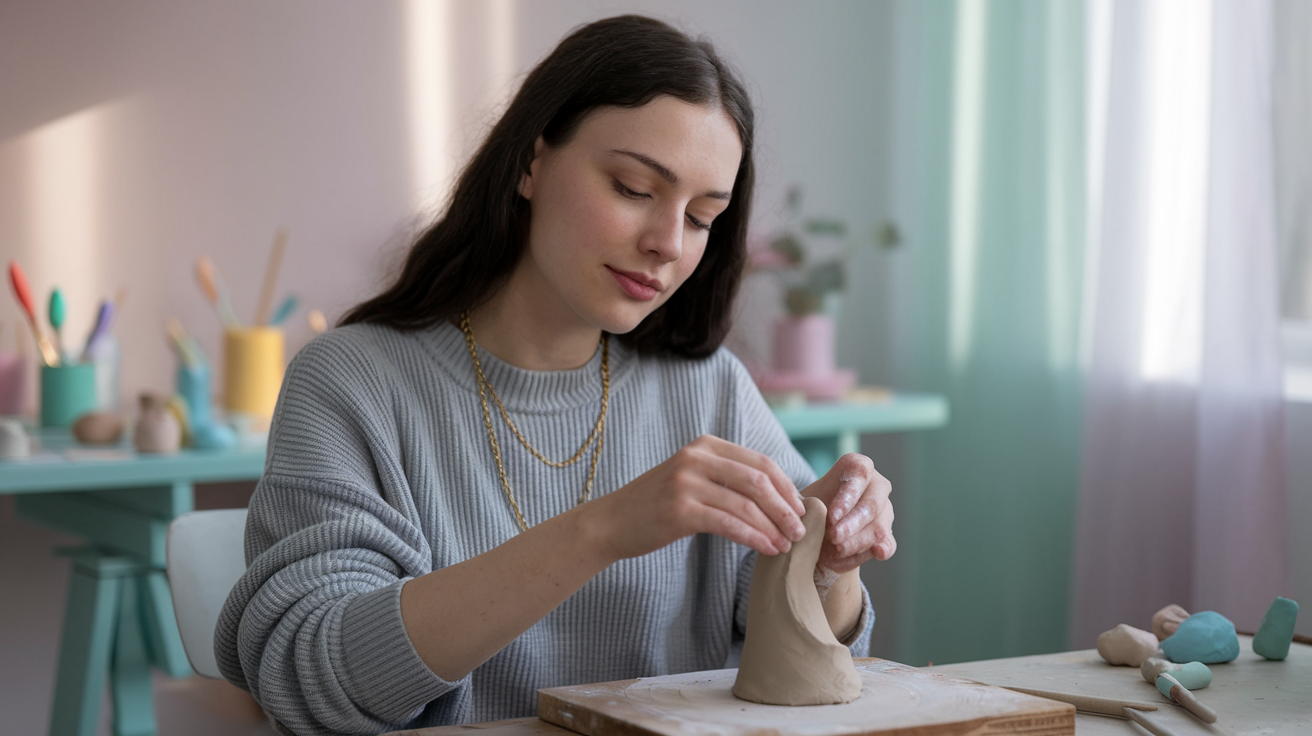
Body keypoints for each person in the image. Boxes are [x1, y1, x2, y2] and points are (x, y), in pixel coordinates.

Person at [215, 14, 896, 736]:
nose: (667, 243)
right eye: (634, 188)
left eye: (702, 217)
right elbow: (313, 677)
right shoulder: (354, 384)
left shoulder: (709, 388)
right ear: (530, 164)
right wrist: (600, 531)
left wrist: (832, 563)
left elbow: (805, 653)